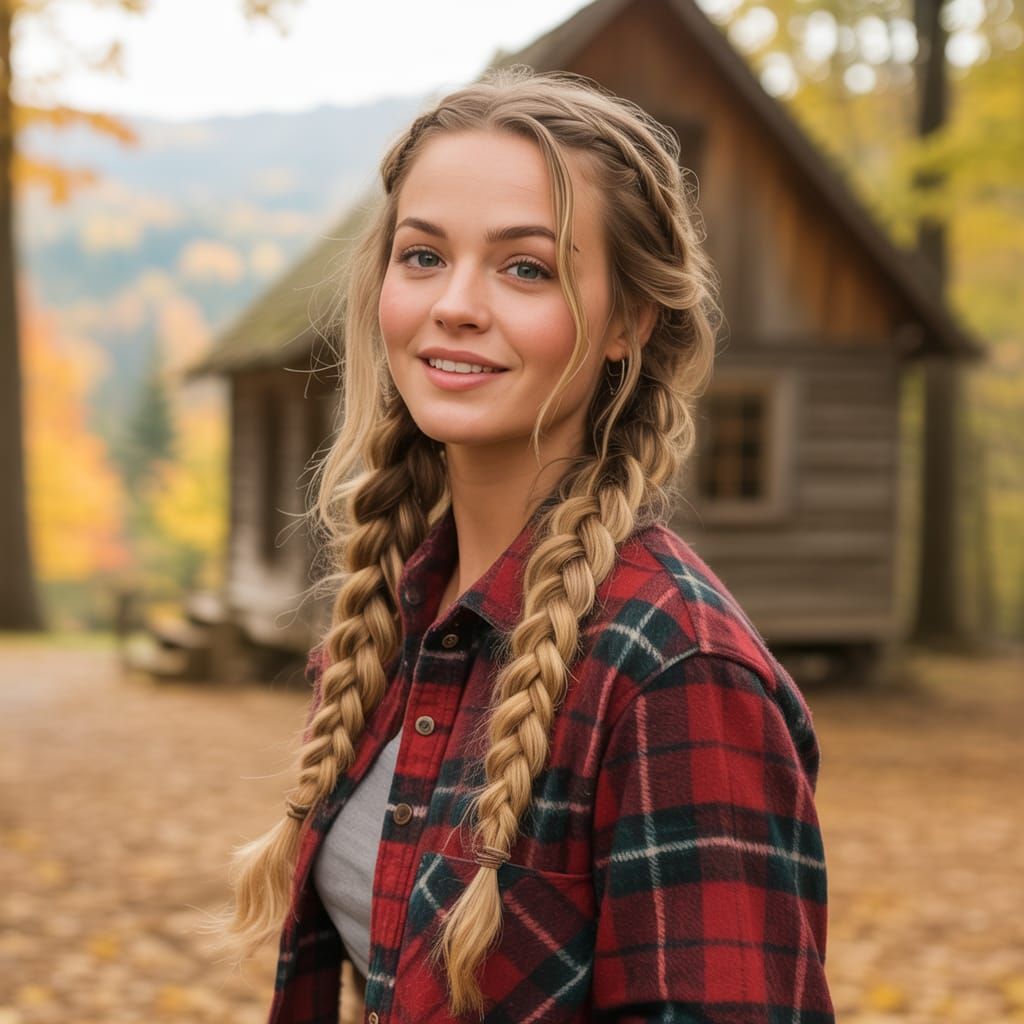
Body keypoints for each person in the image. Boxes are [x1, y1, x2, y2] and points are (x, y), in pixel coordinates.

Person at [217, 67, 834, 1023]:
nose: (455, 304)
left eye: (526, 268)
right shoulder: (401, 616)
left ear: (628, 320)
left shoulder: (676, 673)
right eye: (422, 257)